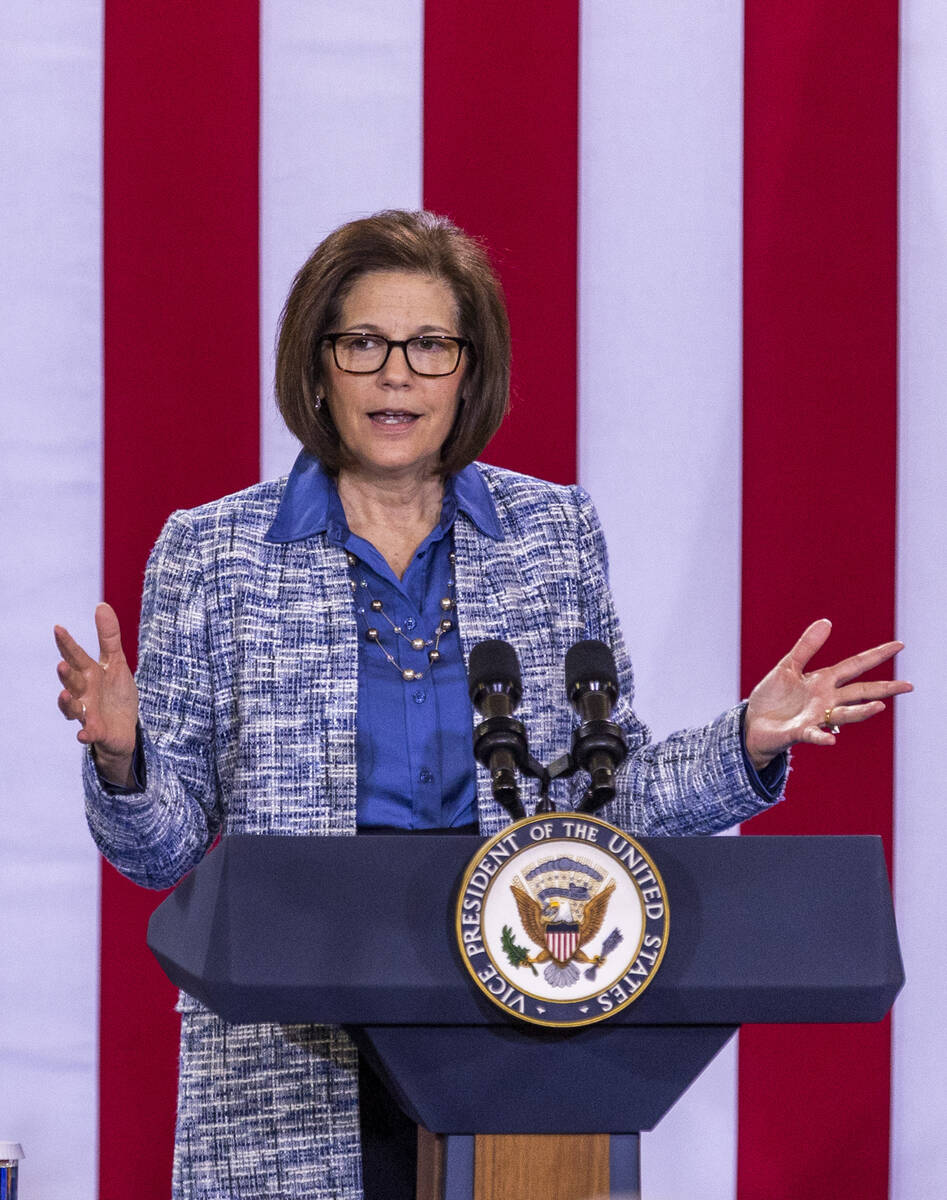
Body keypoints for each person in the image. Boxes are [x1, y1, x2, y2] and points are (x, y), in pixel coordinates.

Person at [54, 210, 911, 1200]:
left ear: (468, 372)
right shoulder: (213, 555)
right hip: (291, 1036)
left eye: (429, 346)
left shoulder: (550, 534)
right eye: (363, 343)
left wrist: (744, 740)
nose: (395, 376)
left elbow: (606, 797)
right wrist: (124, 761)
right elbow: (159, 852)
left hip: (517, 1022)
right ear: (318, 366)